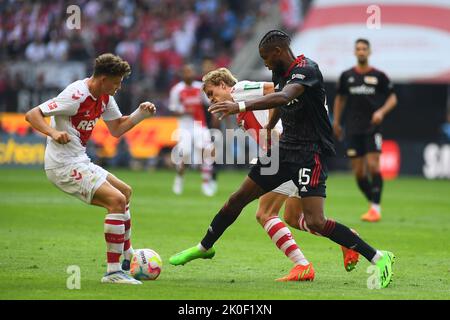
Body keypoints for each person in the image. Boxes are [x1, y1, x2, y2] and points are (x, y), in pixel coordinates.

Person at [169, 30, 395, 288]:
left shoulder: (306, 70)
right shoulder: (280, 72)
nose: (264, 63)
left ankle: (376, 256)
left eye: (265, 57)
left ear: (277, 52)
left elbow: (283, 95)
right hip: (282, 151)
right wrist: (272, 124)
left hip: (311, 152)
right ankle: (204, 246)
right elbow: (278, 95)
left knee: (307, 219)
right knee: (244, 201)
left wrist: (240, 106)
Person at [200, 67, 360, 281]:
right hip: (289, 153)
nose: (211, 100)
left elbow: (275, 89)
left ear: (223, 84)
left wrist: (276, 130)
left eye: (212, 93)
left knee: (265, 213)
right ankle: (347, 238)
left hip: (285, 155)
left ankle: (302, 265)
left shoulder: (240, 89)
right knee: (295, 218)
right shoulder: (239, 107)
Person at [25, 53, 156, 285]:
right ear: (103, 79)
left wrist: (140, 115)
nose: (118, 87)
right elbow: (32, 114)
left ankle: (128, 257)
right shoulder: (75, 95)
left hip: (80, 160)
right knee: (115, 201)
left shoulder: (104, 97)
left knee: (125, 193)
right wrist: (53, 132)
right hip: (63, 165)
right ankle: (113, 272)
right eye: (116, 82)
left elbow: (116, 129)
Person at [333, 39, 397, 222]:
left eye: (364, 49)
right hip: (352, 128)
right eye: (358, 49)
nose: (361, 52)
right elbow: (340, 99)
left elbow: (393, 98)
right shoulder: (346, 76)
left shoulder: (379, 76)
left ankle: (375, 208)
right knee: (359, 173)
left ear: (369, 52)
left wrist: (381, 112)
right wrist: (336, 122)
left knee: (374, 165)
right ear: (355, 52)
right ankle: (373, 203)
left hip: (372, 127)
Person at [169, 64, 216, 196]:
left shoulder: (199, 88)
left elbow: (209, 102)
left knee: (207, 151)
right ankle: (179, 179)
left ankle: (206, 182)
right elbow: (172, 110)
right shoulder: (177, 90)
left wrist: (215, 113)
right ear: (182, 74)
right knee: (185, 155)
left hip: (199, 124)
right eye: (187, 72)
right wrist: (184, 111)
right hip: (184, 126)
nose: (189, 74)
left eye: (191, 72)